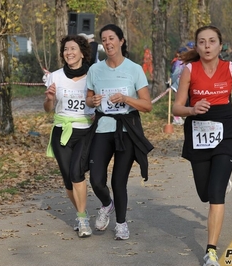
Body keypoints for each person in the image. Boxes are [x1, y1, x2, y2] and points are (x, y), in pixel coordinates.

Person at [172, 25, 232, 266]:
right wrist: (192, 109)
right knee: (205, 193)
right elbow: (177, 107)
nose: (207, 46)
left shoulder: (231, 68)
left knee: (215, 195)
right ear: (196, 46)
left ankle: (210, 250)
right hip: (198, 134)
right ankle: (219, 179)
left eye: (212, 41)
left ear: (220, 45)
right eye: (201, 42)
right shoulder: (189, 70)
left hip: (225, 134)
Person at [85, 24, 153, 240]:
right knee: (96, 179)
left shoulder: (134, 69)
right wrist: (92, 100)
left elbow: (147, 105)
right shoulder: (95, 70)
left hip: (126, 131)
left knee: (118, 181)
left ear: (121, 41)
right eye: (104, 39)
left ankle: (121, 224)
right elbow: (88, 99)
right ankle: (107, 204)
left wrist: (126, 99)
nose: (108, 43)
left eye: (111, 38)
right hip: (103, 129)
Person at [44, 35, 94, 238]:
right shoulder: (54, 77)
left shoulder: (93, 75)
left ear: (82, 52)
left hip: (84, 131)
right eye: (65, 49)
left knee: (76, 174)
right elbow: (48, 109)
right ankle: (82, 213)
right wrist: (48, 98)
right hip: (61, 131)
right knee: (67, 180)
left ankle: (82, 220)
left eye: (73, 49)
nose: (69, 53)